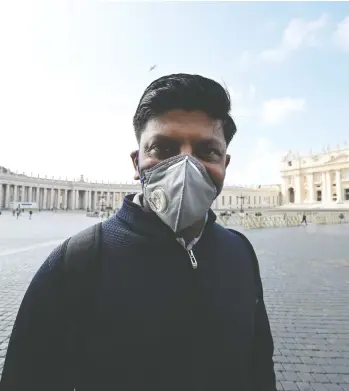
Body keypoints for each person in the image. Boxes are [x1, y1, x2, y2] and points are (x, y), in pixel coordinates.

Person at [1, 74, 276, 391]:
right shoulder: (74, 264)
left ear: (225, 164)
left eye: (207, 151)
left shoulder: (241, 253)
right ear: (137, 162)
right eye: (164, 148)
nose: (185, 166)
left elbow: (259, 369)